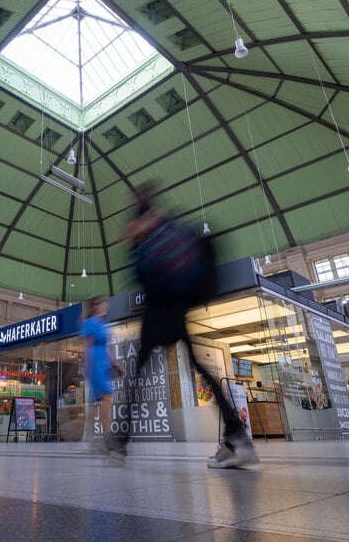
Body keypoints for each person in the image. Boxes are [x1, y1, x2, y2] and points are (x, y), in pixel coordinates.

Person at [112, 184, 258, 469]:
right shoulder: (169, 222)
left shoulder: (140, 225)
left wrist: (134, 233)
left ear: (136, 200)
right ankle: (238, 436)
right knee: (201, 369)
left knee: (139, 374)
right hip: (179, 307)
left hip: (157, 308)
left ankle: (119, 440)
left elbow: (136, 272)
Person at [80, 295, 119, 457]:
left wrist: (114, 364)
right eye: (103, 303)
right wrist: (87, 366)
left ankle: (98, 436)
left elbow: (105, 347)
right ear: (95, 305)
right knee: (106, 397)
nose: (106, 305)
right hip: (95, 362)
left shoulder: (103, 324)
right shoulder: (89, 323)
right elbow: (88, 344)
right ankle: (106, 436)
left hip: (103, 363)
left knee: (103, 399)